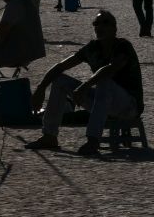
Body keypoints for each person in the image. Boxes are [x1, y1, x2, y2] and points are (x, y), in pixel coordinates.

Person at [25, 10, 144, 155]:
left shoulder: (123, 46)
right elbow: (61, 66)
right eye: (96, 24)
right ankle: (49, 135)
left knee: (103, 81)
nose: (100, 27)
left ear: (114, 28)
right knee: (60, 80)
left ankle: (93, 140)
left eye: (105, 23)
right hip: (103, 102)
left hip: (129, 105)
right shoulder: (92, 48)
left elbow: (110, 69)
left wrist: (84, 87)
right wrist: (41, 88)